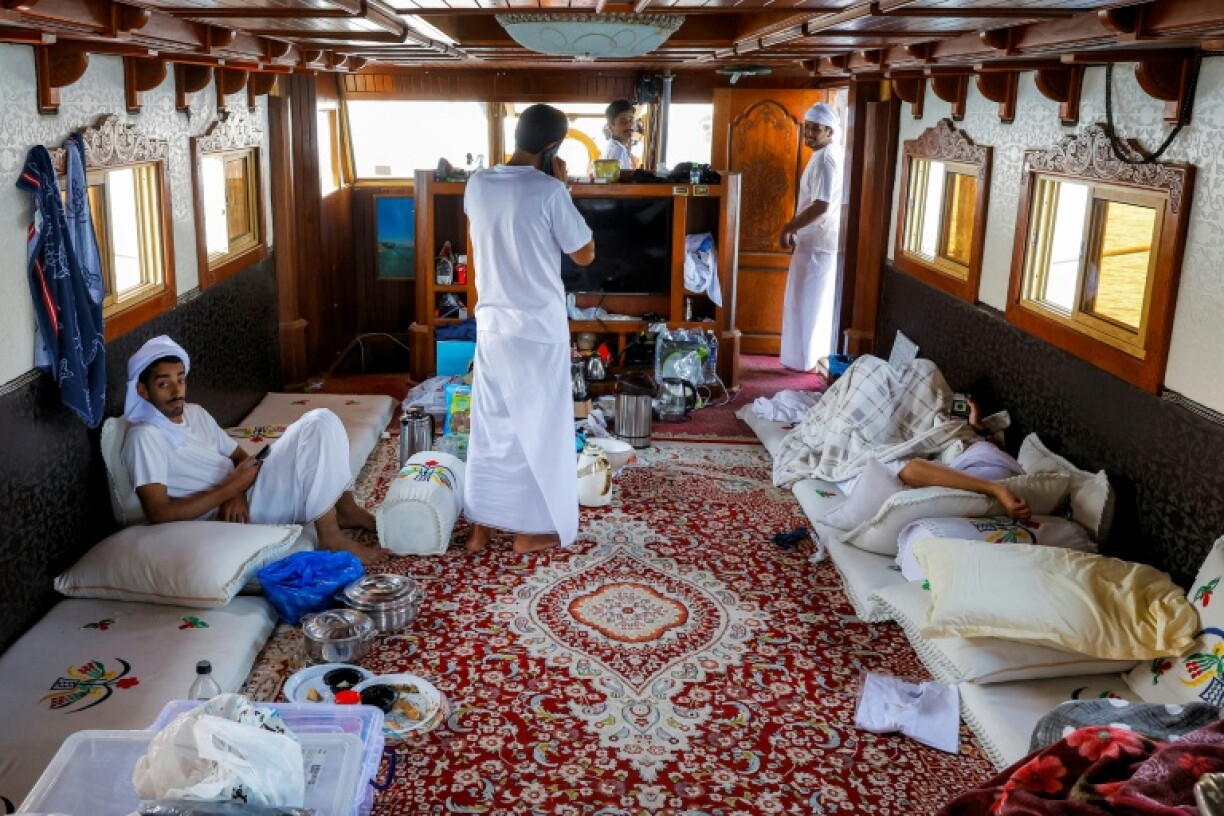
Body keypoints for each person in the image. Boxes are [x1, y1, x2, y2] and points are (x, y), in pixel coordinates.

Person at [463, 104, 596, 554]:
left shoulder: (477, 183)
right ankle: (529, 529)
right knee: (540, 430)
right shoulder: (550, 191)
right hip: (538, 329)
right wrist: (562, 187)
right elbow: (584, 254)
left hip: (493, 324)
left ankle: (480, 528)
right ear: (554, 147)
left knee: (491, 426)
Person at [120, 336, 382, 564]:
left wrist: (237, 492)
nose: (177, 391)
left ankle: (346, 509)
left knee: (323, 420)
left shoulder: (195, 413)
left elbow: (240, 457)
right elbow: (159, 513)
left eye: (181, 380)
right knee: (318, 424)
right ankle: (331, 537)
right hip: (238, 512)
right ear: (142, 391)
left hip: (246, 491)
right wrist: (229, 492)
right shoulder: (144, 437)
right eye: (164, 384)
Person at [778, 102, 843, 372]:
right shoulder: (823, 155)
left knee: (807, 304)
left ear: (830, 131)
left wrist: (788, 228)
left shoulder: (827, 159)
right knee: (803, 301)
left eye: (815, 129)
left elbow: (820, 205)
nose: (809, 133)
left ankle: (805, 362)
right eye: (807, 127)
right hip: (813, 242)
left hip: (818, 244)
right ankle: (802, 360)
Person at [600, 99, 638, 171]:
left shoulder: (612, 146)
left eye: (631, 120)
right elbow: (621, 182)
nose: (629, 125)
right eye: (622, 122)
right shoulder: (619, 150)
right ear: (611, 127)